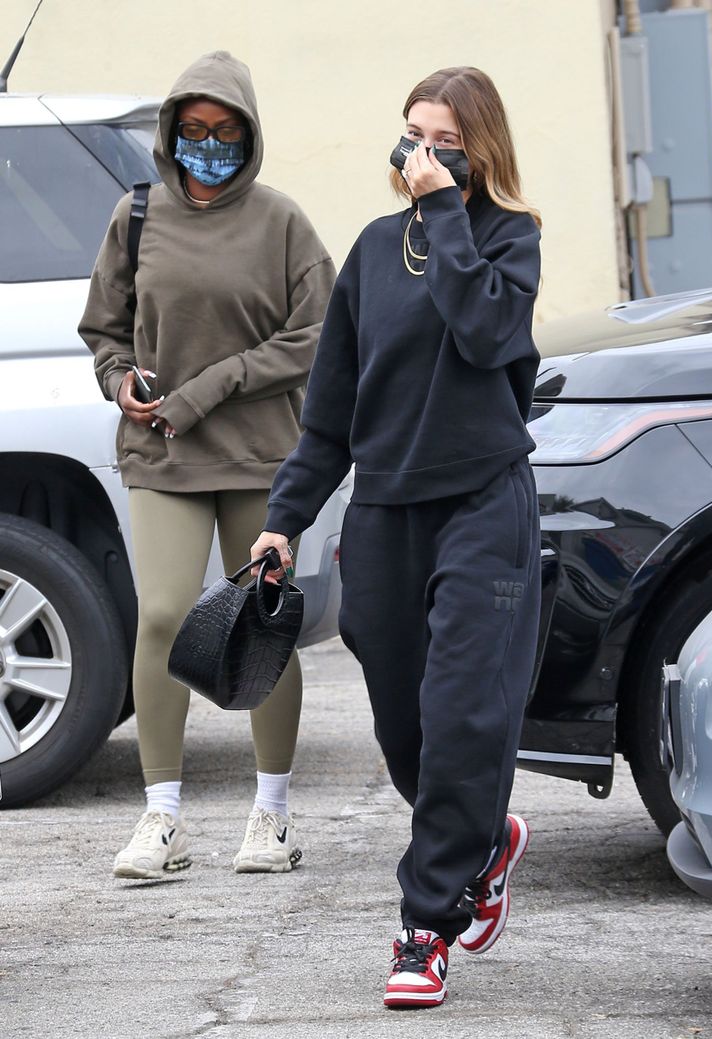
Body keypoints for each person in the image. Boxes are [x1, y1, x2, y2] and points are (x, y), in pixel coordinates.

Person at [250, 66, 542, 1008]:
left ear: (478, 148)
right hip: (383, 513)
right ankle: (485, 838)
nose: (418, 151)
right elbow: (330, 412)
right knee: (405, 729)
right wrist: (285, 520)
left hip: (481, 505)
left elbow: (485, 329)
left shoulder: (508, 239)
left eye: (443, 137)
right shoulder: (374, 253)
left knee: (464, 714)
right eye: (411, 133)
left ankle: (426, 926)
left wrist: (449, 208)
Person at [79, 51, 335, 880]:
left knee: (262, 618)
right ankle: (163, 820)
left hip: (263, 452)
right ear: (171, 135)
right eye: (193, 131)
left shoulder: (282, 222)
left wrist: (213, 384)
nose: (209, 146)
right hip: (163, 451)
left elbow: (317, 337)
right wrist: (122, 383)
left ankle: (272, 817)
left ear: (250, 135)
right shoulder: (138, 214)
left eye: (226, 132)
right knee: (160, 617)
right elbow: (105, 331)